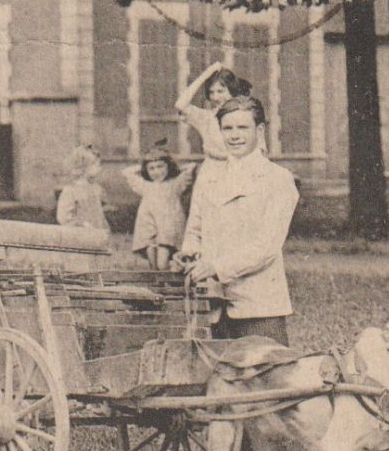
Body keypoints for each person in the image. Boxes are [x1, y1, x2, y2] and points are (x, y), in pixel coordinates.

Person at [180, 95, 300, 346]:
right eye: (227, 128)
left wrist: (215, 267)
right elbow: (195, 229)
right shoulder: (209, 178)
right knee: (220, 381)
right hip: (213, 306)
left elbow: (266, 247)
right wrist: (190, 251)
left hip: (259, 307)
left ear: (259, 130)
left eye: (242, 128)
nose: (234, 136)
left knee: (269, 380)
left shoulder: (277, 179)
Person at [121, 140, 194, 270]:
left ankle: (171, 282)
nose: (157, 172)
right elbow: (127, 172)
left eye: (161, 166)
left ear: (168, 167)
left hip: (167, 232)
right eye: (152, 168)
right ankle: (160, 287)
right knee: (154, 267)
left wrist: (175, 167)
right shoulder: (145, 186)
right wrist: (145, 164)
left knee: (162, 264)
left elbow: (192, 166)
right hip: (149, 230)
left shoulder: (174, 184)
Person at [175, 60, 252, 164]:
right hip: (212, 173)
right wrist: (206, 74)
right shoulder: (207, 118)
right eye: (211, 92)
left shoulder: (246, 116)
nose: (215, 97)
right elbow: (180, 104)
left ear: (232, 91)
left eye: (220, 91)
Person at [55, 145, 109, 233]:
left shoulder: (96, 188)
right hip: (80, 235)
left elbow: (100, 215)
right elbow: (63, 216)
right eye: (96, 165)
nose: (100, 168)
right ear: (83, 167)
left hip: (97, 233)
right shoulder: (71, 191)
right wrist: (81, 224)